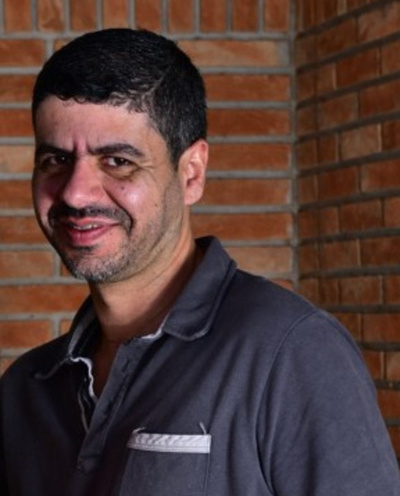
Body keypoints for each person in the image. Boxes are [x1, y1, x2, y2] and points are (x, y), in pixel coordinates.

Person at [0, 28, 399, 496]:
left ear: (191, 174)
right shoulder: (25, 389)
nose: (75, 193)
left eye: (118, 161)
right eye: (55, 160)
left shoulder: (291, 352)